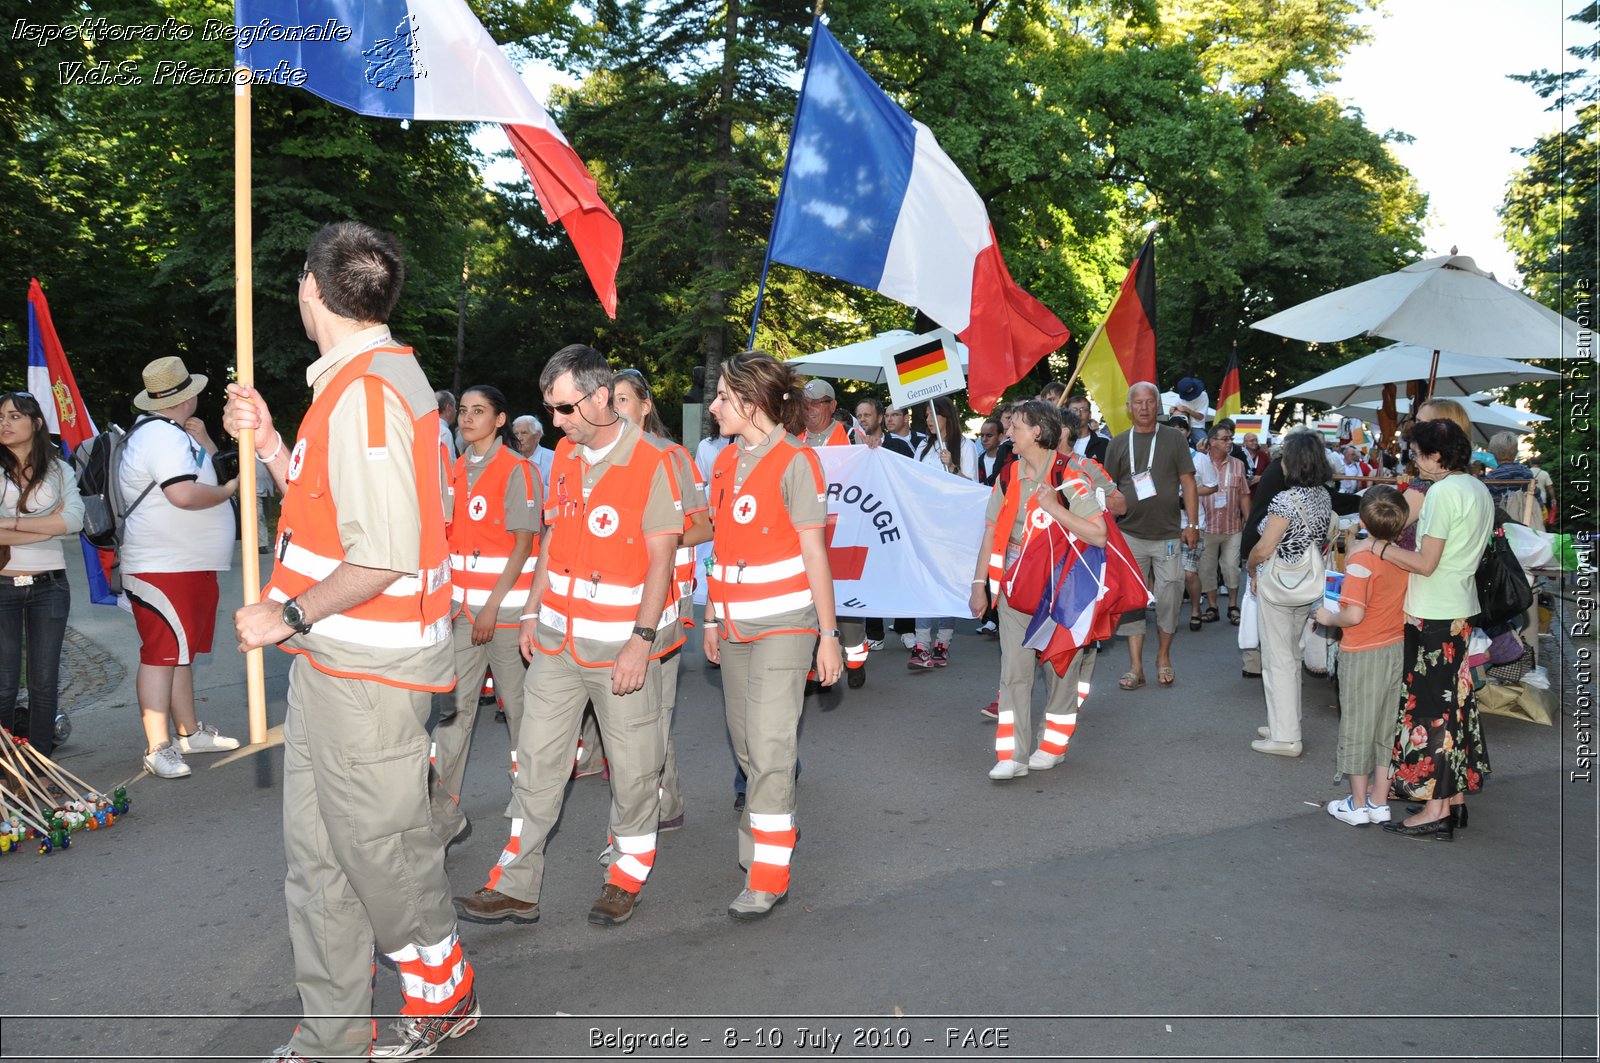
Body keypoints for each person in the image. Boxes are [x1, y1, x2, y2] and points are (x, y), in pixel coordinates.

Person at [224, 221, 479, 1061]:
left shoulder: (368, 390)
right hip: (339, 658)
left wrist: (286, 614)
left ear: (308, 288)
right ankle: (334, 1033)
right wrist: (267, 443)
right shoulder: (357, 383)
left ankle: (443, 991)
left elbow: (383, 550)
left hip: (368, 664)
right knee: (319, 858)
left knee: (381, 855)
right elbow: (331, 513)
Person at [453, 343, 681, 931]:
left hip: (621, 650)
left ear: (600, 398)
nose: (554, 421)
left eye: (562, 408)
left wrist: (641, 640)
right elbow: (551, 543)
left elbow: (661, 561)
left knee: (633, 771)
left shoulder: (656, 461)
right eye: (550, 409)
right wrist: (530, 613)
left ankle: (625, 876)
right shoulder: (568, 462)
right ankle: (515, 884)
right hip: (556, 642)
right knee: (537, 764)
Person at [704, 351, 842, 917]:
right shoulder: (719, 462)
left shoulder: (798, 463)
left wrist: (829, 635)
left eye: (722, 397)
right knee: (746, 745)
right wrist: (712, 618)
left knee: (769, 745)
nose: (713, 407)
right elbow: (721, 550)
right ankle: (772, 828)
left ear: (753, 401)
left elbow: (816, 553)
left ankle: (766, 869)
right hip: (734, 624)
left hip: (787, 625)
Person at [1370, 418, 1493, 841]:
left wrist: (1381, 547)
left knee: (1432, 713)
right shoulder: (1477, 487)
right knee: (1455, 707)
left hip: (1434, 613)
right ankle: (1452, 801)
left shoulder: (1443, 493)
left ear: (1437, 456)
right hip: (1459, 607)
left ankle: (1435, 809)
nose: (1414, 461)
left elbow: (1426, 563)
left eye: (1418, 453)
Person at [970, 400, 1107, 780]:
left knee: (1062, 670)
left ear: (1037, 433)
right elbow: (990, 535)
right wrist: (979, 584)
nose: (1008, 432)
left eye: (1015, 427)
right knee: (1013, 672)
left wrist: (1055, 506)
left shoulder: (1071, 473)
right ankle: (1012, 755)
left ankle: (1052, 745)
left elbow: (1099, 533)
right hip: (1015, 591)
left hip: (1063, 592)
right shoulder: (1007, 475)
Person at [119, 356, 241, 780]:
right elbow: (185, 495)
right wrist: (227, 491)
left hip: (182, 565)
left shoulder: (172, 435)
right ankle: (159, 746)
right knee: (161, 654)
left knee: (179, 652)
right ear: (186, 395)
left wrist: (206, 441)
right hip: (162, 566)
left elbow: (203, 469)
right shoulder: (159, 437)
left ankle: (189, 732)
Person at [429, 385, 539, 848]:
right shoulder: (456, 469)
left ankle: (531, 800)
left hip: (507, 614)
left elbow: (523, 545)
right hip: (461, 612)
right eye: (465, 412)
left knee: (520, 713)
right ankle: (441, 811)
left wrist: (493, 607)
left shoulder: (520, 471)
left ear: (500, 421)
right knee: (452, 714)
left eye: (479, 412)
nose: (467, 419)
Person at [610, 367, 710, 832]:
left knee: (653, 710)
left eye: (624, 400)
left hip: (663, 604)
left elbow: (705, 526)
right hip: (612, 604)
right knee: (633, 709)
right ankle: (653, 797)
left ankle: (659, 804)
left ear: (646, 406)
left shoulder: (672, 457)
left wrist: (656, 538)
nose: (615, 409)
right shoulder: (600, 457)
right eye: (609, 400)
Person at [1313, 486, 1409, 825]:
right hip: (1395, 647)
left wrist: (1327, 617)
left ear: (1364, 518)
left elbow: (1353, 615)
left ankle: (1357, 804)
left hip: (1361, 650)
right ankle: (1379, 800)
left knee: (1357, 724)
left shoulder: (1360, 560)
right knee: (1386, 727)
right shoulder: (1401, 556)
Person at [0, 391, 84, 759]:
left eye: (14, 416)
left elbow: (76, 521)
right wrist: (48, 526)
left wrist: (10, 522)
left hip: (50, 586)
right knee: (3, 685)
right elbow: (61, 523)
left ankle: (39, 764)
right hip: (2, 584)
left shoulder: (59, 469)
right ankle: (6, 766)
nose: (4, 423)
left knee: (44, 684)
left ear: (35, 424)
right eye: (1, 416)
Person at [1243, 429, 1335, 757]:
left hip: (1280, 584)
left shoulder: (1286, 499)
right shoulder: (1323, 494)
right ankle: (1286, 721)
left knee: (1278, 658)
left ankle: (1285, 737)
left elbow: (1264, 547)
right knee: (1291, 656)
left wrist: (1252, 567)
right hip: (1307, 584)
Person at [1103, 382, 1198, 689]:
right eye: (1138, 402)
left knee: (1170, 596)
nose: (1144, 407)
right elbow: (1107, 489)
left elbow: (1189, 483)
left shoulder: (1173, 439)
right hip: (1129, 535)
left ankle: (1164, 657)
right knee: (1132, 601)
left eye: (1149, 402)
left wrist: (1192, 526)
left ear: (1157, 406)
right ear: (1129, 408)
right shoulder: (1117, 443)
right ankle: (1135, 667)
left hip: (1169, 534)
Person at [798, 382, 869, 687]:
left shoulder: (852, 436)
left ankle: (855, 658)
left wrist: (875, 448)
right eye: (805, 403)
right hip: (809, 529)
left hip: (844, 531)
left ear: (831, 405)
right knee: (810, 597)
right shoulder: (795, 439)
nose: (810, 410)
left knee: (845, 603)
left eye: (817, 403)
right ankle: (818, 668)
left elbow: (875, 472)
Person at [908, 397, 981, 668]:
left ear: (947, 417)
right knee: (925, 582)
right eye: (926, 415)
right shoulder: (922, 447)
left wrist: (951, 467)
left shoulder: (966, 447)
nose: (928, 420)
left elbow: (973, 487)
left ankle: (943, 642)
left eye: (933, 415)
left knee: (946, 581)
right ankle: (921, 643)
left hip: (952, 528)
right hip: (925, 525)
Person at [1199, 422, 1250, 625]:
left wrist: (1248, 519)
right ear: (1212, 442)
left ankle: (1232, 606)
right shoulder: (1199, 463)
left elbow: (1244, 494)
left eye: (1231, 439)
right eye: (1225, 439)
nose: (1230, 442)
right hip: (1206, 526)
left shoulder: (1238, 464)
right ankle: (1212, 607)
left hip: (1232, 527)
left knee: (1231, 567)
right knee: (1207, 568)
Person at [1483, 431, 1532, 512]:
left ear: (1494, 453)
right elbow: (1537, 501)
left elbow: (1489, 506)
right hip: (1526, 519)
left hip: (1503, 521)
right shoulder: (1527, 473)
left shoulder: (1493, 477)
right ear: (1515, 452)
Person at [799, 379, 850, 446]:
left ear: (832, 405)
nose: (808, 407)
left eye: (815, 402)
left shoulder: (850, 436)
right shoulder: (793, 437)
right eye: (805, 402)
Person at [512, 413, 554, 492]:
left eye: (524, 433)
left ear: (537, 435)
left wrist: (533, 485)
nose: (519, 438)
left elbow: (560, 494)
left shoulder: (553, 459)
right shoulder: (510, 460)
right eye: (516, 434)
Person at [1065, 394, 1108, 464]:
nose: (1078, 414)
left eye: (1083, 410)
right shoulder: (1060, 442)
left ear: (1090, 414)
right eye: (1074, 410)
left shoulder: (1103, 442)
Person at [1169, 376, 1209, 446]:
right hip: (1180, 426)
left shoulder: (1203, 395)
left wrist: (1187, 410)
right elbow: (1173, 415)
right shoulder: (1179, 398)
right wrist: (1171, 411)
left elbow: (1201, 417)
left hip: (1196, 426)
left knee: (1206, 445)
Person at [436, 389, 459, 462]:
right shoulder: (445, 433)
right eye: (455, 407)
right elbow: (448, 464)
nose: (456, 411)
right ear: (448, 408)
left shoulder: (423, 428)